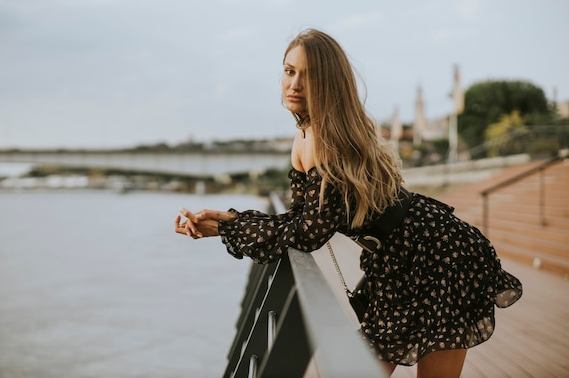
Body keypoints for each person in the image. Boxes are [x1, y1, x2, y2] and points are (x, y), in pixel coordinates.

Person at [174, 28, 522, 378]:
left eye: (309, 76)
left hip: (438, 253)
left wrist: (228, 226)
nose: (294, 84)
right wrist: (227, 223)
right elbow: (301, 217)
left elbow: (309, 234)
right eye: (289, 70)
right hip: (399, 259)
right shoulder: (306, 134)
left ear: (329, 82)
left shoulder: (326, 138)